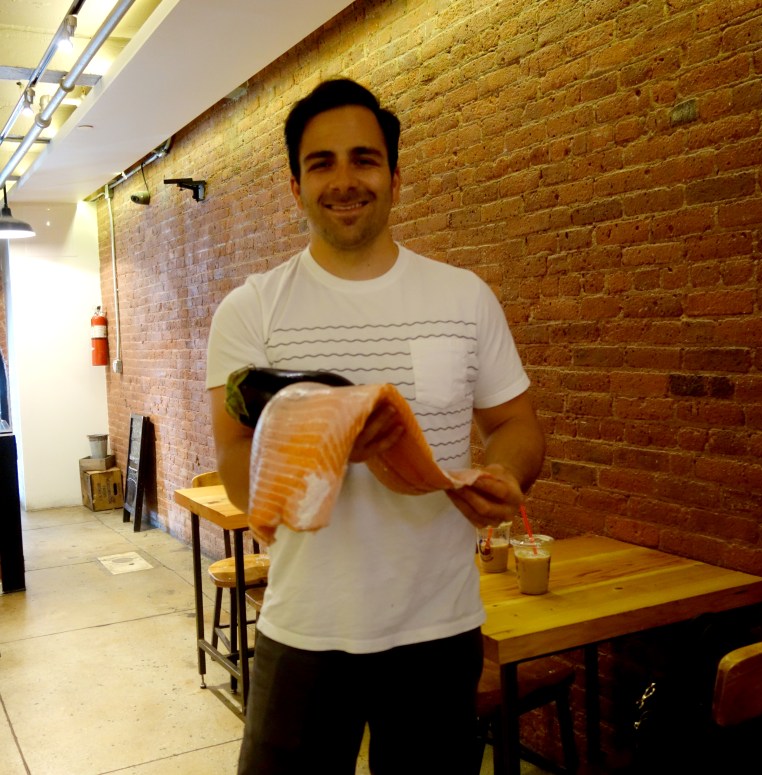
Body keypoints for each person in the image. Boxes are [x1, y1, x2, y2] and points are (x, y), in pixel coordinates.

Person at [206, 78, 545, 775]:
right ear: (296, 188)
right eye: (319, 163)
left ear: (394, 176)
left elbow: (517, 424)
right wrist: (319, 443)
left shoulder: (463, 297)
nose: (344, 180)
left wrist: (507, 471)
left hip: (438, 628)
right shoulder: (250, 312)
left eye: (363, 159)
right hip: (303, 628)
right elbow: (242, 485)